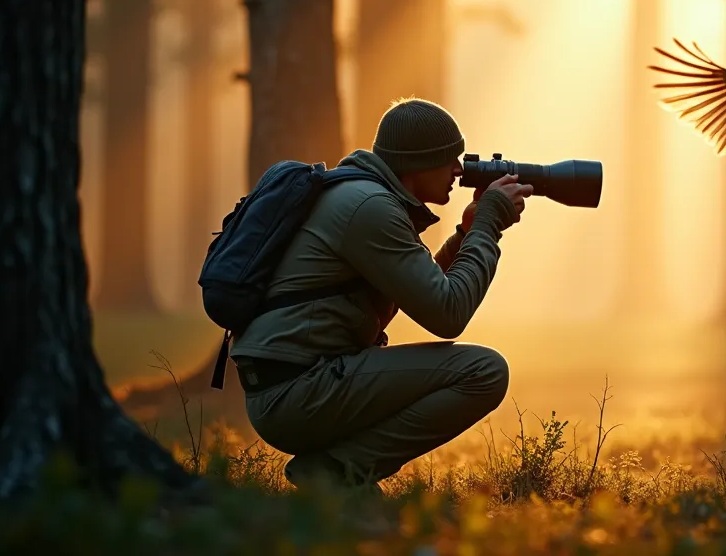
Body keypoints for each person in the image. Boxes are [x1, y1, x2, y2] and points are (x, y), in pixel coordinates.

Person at [228, 98, 533, 490]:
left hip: (293, 385)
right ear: (417, 163)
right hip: (296, 393)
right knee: (484, 372)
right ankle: (338, 471)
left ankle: (335, 467)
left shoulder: (362, 196)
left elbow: (422, 291)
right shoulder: (369, 208)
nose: (459, 169)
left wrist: (465, 234)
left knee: (478, 370)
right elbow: (447, 314)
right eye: (448, 157)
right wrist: (488, 225)